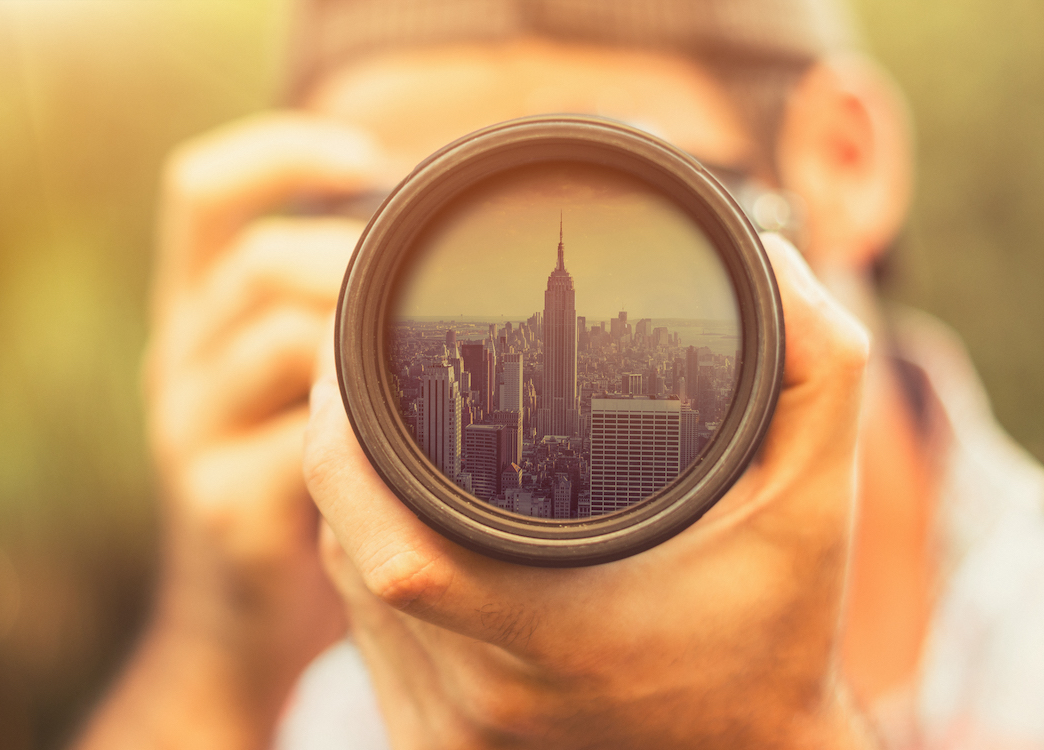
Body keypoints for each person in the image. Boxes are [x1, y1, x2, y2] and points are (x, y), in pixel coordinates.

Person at [74, 1, 1044, 748]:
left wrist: (767, 735)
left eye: (614, 190)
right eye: (402, 233)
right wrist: (222, 655)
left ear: (841, 161)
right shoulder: (337, 690)